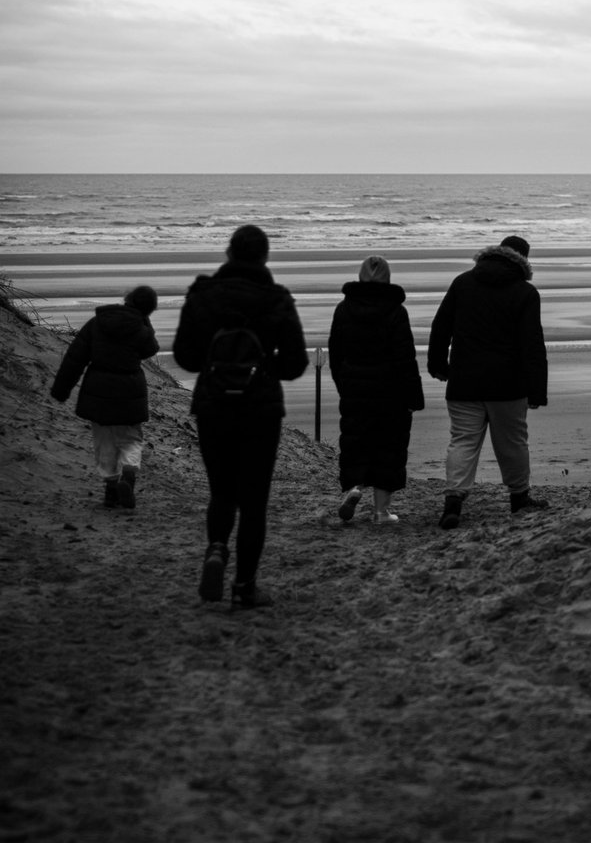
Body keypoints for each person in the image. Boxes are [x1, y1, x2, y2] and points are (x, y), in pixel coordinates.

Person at [172, 224, 308, 609]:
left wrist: (218, 365)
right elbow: (295, 363)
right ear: (265, 257)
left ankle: (216, 548)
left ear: (229, 253)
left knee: (221, 492)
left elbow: (185, 356)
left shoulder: (202, 295)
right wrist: (261, 368)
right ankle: (244, 586)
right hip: (260, 408)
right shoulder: (277, 299)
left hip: (213, 404)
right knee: (254, 501)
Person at [426, 234, 548, 528]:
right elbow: (532, 344)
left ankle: (453, 501)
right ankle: (519, 498)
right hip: (508, 385)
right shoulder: (525, 293)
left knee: (463, 442)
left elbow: (441, 326)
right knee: (513, 443)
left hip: (464, 380)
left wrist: (438, 365)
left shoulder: (463, 282)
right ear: (524, 260)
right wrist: (536, 390)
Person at [328, 255, 424, 524]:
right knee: (388, 450)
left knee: (356, 443)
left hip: (354, 388)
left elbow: (336, 352)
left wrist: (343, 384)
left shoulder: (344, 309)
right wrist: (414, 396)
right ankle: (381, 512)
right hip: (391, 392)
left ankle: (355, 488)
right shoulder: (396, 311)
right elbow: (405, 357)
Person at [50, 286, 160, 510]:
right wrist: (145, 320)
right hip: (130, 391)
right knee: (131, 439)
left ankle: (111, 491)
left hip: (98, 391)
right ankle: (128, 474)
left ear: (126, 299)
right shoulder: (141, 328)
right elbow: (151, 349)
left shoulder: (98, 322)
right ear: (149, 310)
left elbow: (75, 358)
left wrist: (62, 389)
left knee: (104, 443)